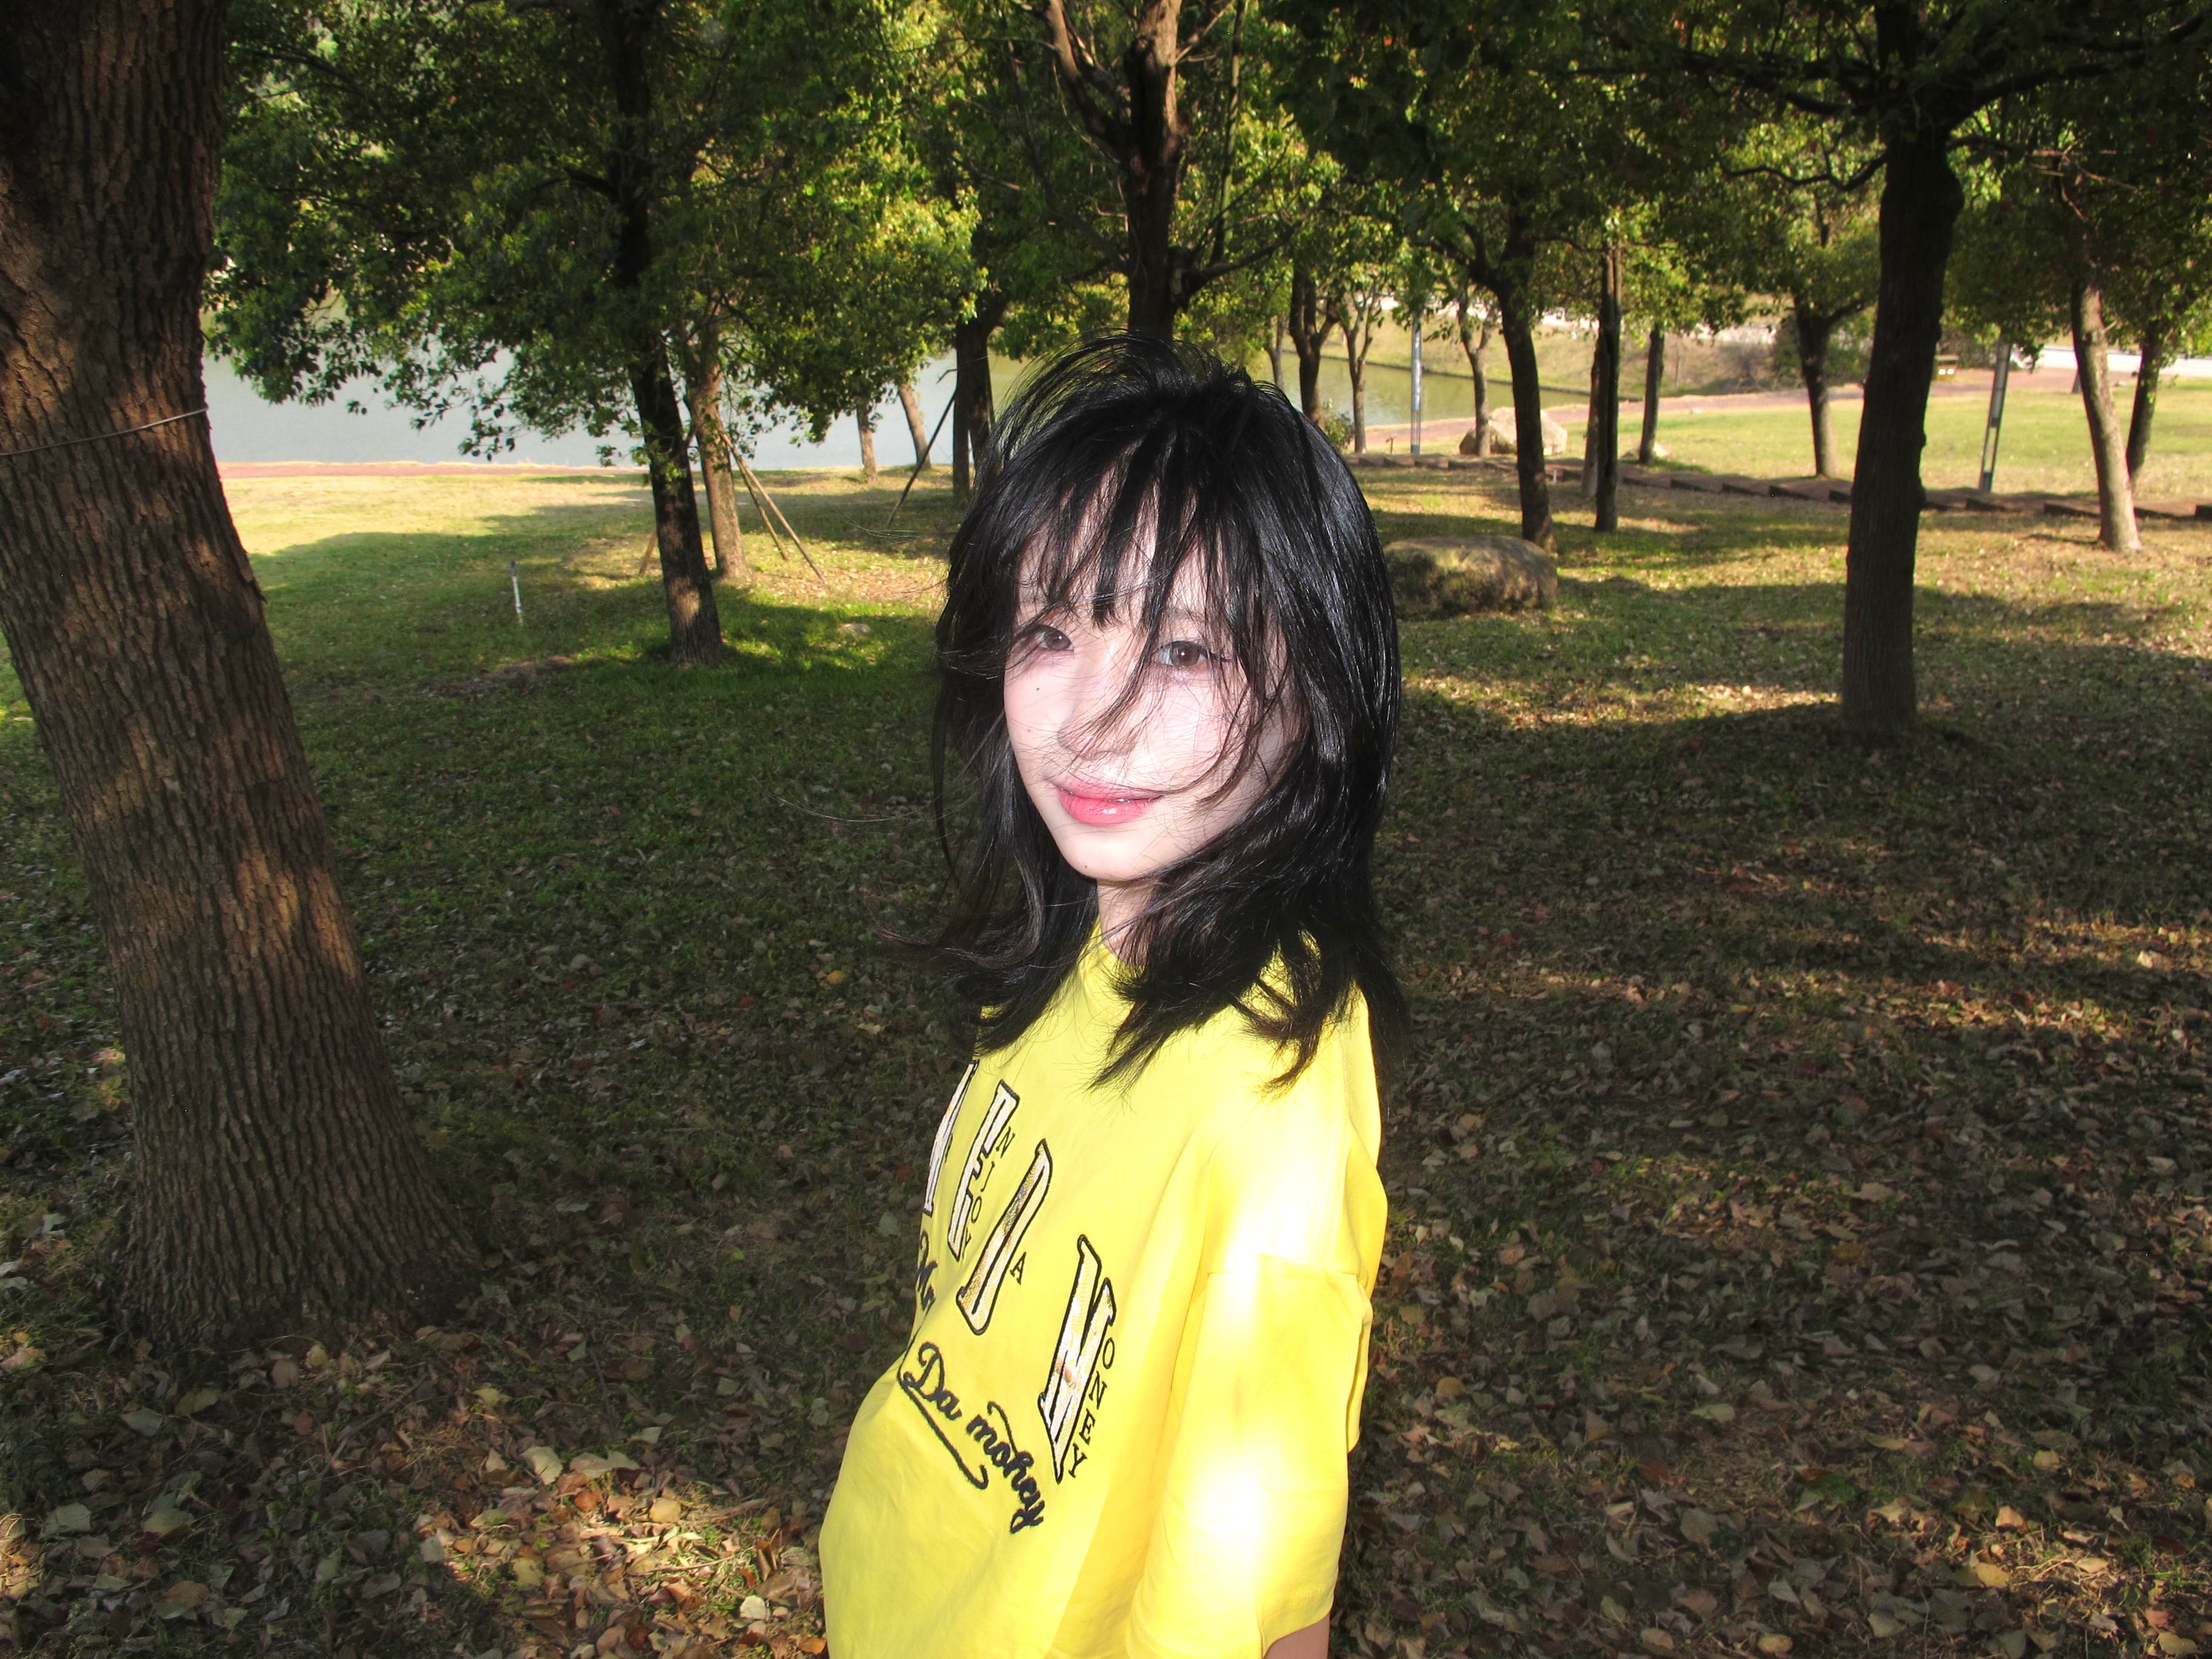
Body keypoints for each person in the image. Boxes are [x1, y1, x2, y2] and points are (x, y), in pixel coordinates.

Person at [820, 334, 1407, 1659]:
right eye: (1050, 631)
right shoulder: (1086, 940)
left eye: (1185, 650)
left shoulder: (1265, 1120)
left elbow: (1267, 1604)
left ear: (1318, 697)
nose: (1091, 718)